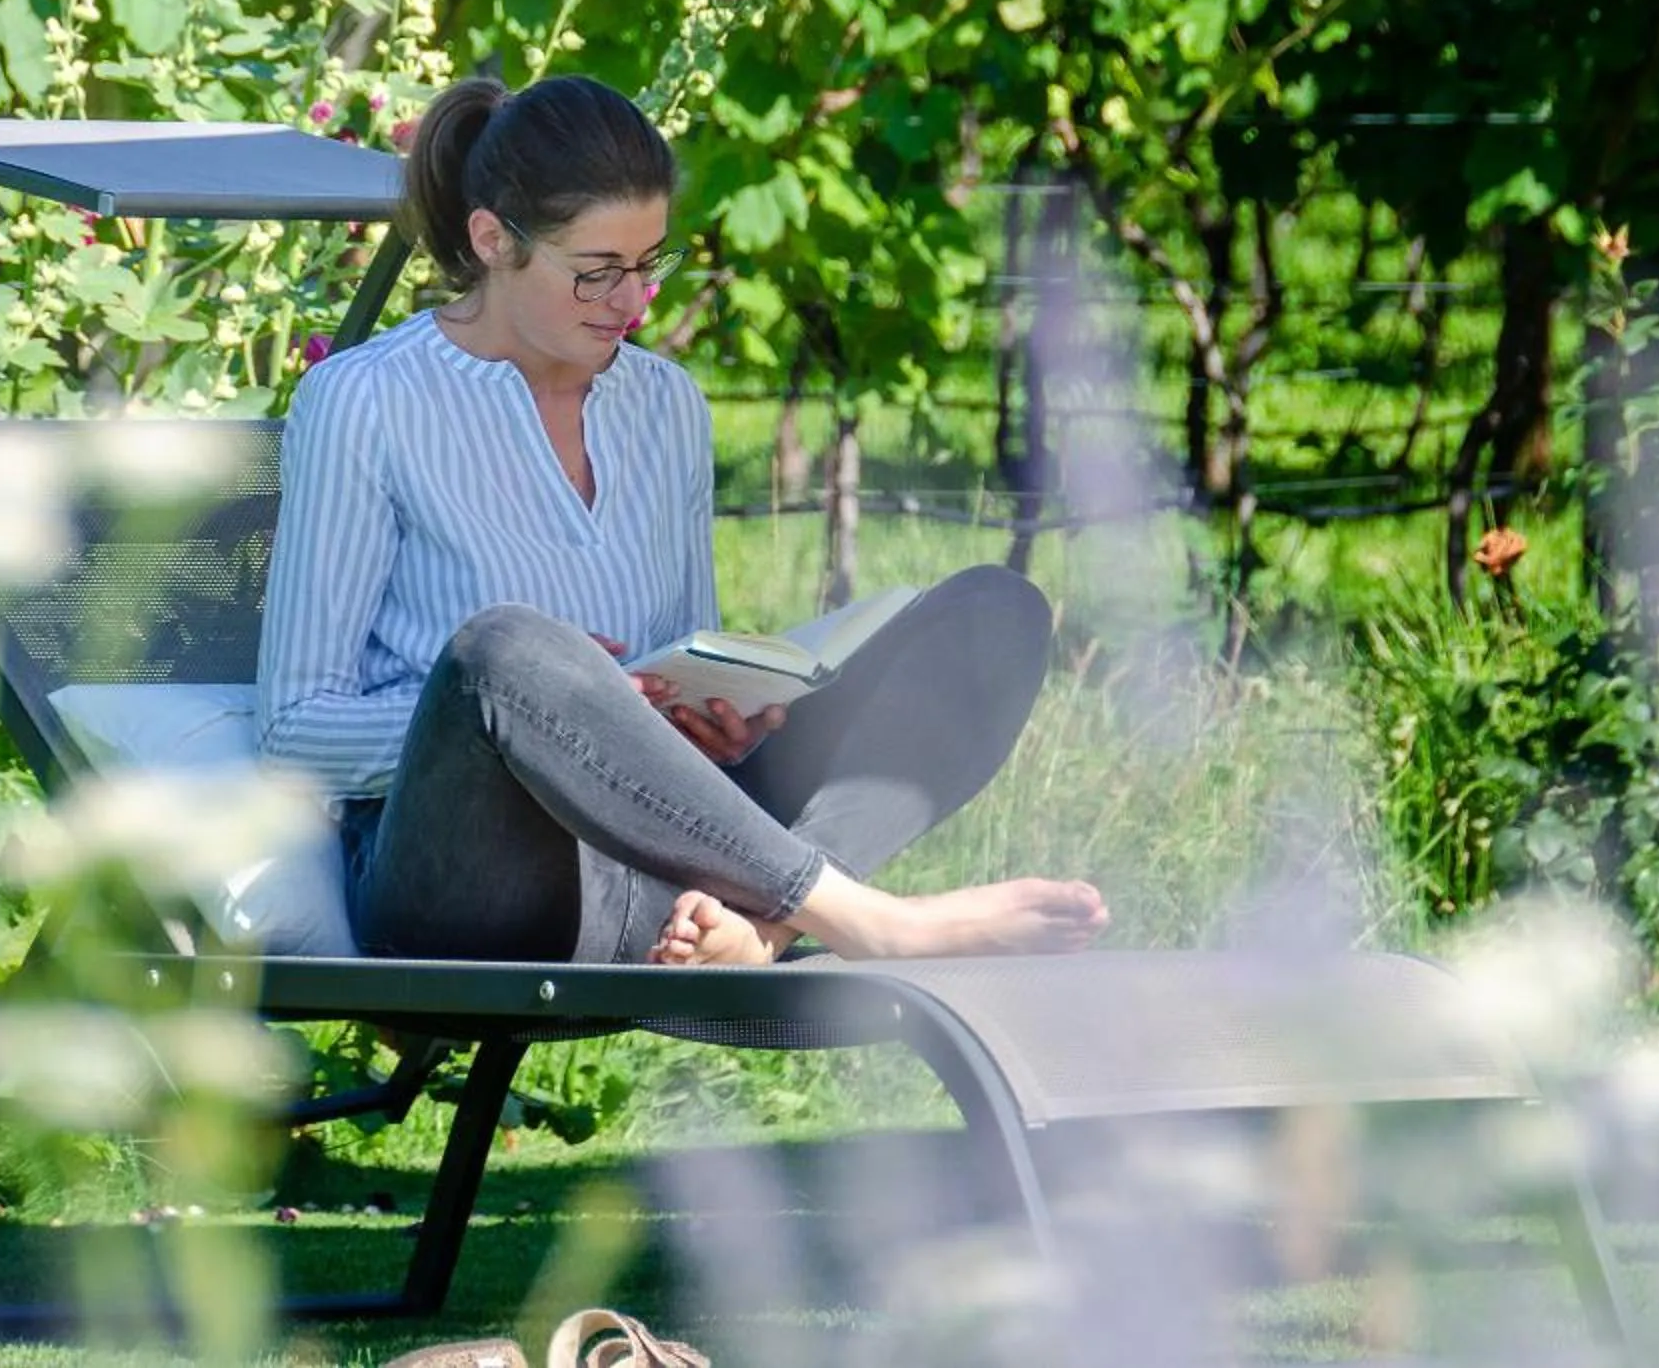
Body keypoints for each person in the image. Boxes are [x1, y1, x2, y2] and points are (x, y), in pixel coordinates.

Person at [256, 72, 1107, 968]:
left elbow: (685, 652)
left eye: (648, 264)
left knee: (992, 613)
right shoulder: (363, 400)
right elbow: (294, 731)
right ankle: (868, 920)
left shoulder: (665, 403)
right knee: (507, 654)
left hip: (672, 874)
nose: (632, 303)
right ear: (492, 240)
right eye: (596, 273)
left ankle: (769, 931)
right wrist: (566, 719)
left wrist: (708, 714)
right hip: (473, 883)